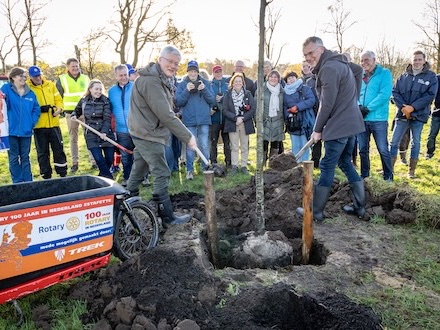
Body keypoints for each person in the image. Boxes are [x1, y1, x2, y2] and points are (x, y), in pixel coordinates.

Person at [125, 45, 196, 227]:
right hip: (148, 133)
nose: (173, 66)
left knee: (140, 167)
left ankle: (124, 205)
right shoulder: (152, 82)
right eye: (170, 61)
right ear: (160, 59)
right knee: (162, 171)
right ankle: (167, 217)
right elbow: (165, 114)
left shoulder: (160, 79)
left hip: (144, 130)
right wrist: (187, 137)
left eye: (176, 63)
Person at [297, 36, 366, 221]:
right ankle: (360, 207)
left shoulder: (328, 68)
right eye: (305, 55)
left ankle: (315, 211)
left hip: (339, 125)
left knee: (327, 165)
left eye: (311, 52)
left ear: (321, 49)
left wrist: (317, 129)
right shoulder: (339, 62)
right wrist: (351, 100)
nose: (309, 57)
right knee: (345, 162)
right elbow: (358, 70)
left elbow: (325, 105)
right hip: (351, 123)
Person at [389, 50, 438, 178]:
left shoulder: (431, 77)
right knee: (393, 142)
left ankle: (411, 172)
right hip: (402, 114)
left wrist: (413, 107)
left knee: (415, 142)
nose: (417, 62)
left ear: (424, 61)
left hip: (419, 115)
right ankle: (389, 169)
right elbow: (395, 92)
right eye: (415, 59)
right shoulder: (403, 76)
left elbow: (430, 95)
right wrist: (404, 108)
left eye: (419, 59)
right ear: (412, 61)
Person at [175, 60, 215, 180]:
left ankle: (204, 168)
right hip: (189, 120)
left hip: (204, 120)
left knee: (204, 145)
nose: (193, 73)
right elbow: (178, 102)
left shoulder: (206, 83)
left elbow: (212, 100)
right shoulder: (182, 85)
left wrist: (204, 90)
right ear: (188, 72)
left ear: (197, 72)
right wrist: (187, 91)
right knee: (190, 146)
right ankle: (189, 171)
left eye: (194, 71)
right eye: (190, 71)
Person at [357, 51, 393, 181]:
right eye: (361, 60)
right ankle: (365, 176)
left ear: (374, 60)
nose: (364, 63)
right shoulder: (359, 75)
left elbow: (384, 94)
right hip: (361, 118)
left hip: (378, 119)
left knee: (383, 149)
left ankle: (388, 176)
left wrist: (368, 108)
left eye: (367, 59)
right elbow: (353, 93)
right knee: (362, 149)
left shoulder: (384, 73)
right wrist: (358, 106)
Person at [27, 65, 68, 179]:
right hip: (39, 125)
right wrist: (40, 109)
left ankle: (62, 172)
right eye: (35, 76)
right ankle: (46, 174)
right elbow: (27, 106)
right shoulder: (27, 88)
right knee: (42, 152)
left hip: (53, 123)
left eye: (39, 75)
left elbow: (59, 100)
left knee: (58, 149)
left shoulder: (50, 85)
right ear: (30, 77)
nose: (38, 78)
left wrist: (59, 109)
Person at [0, 67, 40, 183]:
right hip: (10, 131)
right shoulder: (6, 89)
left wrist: (31, 122)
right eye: (20, 76)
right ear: (13, 77)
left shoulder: (30, 93)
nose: (23, 78)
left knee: (25, 157)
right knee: (13, 158)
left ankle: (28, 182)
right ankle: (17, 182)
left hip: (26, 131)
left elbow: (36, 109)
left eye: (24, 76)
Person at [56, 58, 95, 173]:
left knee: (90, 136)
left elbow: (90, 93)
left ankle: (94, 161)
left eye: (77, 66)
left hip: (85, 112)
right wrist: (63, 111)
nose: (75, 68)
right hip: (70, 113)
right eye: (72, 66)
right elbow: (59, 96)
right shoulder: (62, 79)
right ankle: (75, 163)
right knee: (73, 138)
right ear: (68, 67)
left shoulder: (85, 78)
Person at [71, 79, 114, 179]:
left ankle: (102, 177)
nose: (98, 91)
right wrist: (74, 115)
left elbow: (107, 118)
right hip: (91, 134)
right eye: (96, 89)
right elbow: (76, 111)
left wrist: (104, 132)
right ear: (90, 89)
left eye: (100, 89)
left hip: (105, 133)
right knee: (99, 159)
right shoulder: (84, 101)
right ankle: (109, 179)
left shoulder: (106, 101)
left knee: (109, 159)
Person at [223, 73, 256, 174]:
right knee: (234, 146)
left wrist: (243, 118)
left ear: (242, 83)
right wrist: (235, 118)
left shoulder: (248, 94)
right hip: (233, 123)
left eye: (239, 81)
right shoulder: (228, 94)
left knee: (245, 145)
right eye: (236, 81)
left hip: (244, 123)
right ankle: (234, 165)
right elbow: (225, 110)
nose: (238, 83)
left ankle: (244, 166)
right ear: (232, 83)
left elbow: (252, 108)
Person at [108, 64, 135, 186]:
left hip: (136, 128)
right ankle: (127, 177)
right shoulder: (111, 91)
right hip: (121, 129)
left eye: (125, 75)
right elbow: (110, 110)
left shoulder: (135, 87)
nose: (124, 77)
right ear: (116, 76)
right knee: (125, 156)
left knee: (139, 154)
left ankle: (143, 177)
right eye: (121, 75)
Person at [282, 71, 316, 162]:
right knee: (295, 145)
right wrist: (288, 115)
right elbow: (284, 106)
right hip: (293, 122)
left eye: (293, 77)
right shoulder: (285, 92)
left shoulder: (305, 88)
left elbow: (312, 100)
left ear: (296, 78)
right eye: (289, 78)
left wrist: (298, 107)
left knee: (304, 145)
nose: (291, 79)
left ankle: (305, 165)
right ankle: (296, 165)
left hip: (305, 120)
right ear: (286, 81)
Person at [258, 69, 285, 166]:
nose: (273, 79)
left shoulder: (282, 91)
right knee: (263, 144)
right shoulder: (261, 90)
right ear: (268, 78)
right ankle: (261, 165)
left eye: (275, 77)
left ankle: (273, 165)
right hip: (265, 121)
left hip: (278, 120)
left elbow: (284, 106)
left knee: (275, 144)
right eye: (271, 77)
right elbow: (256, 106)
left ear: (278, 79)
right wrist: (258, 121)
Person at [209, 64, 230, 167]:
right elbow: (208, 98)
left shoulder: (227, 85)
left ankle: (229, 162)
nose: (218, 74)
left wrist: (223, 99)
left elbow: (230, 98)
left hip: (226, 118)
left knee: (227, 142)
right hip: (214, 118)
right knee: (213, 142)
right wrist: (213, 104)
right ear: (213, 73)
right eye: (216, 72)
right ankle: (213, 162)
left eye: (220, 71)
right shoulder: (210, 85)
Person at [301, 61, 321, 168]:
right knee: (315, 136)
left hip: (324, 109)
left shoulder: (324, 78)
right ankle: (315, 160)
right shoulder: (309, 82)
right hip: (312, 112)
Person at [425, 74, 440, 160]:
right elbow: (431, 94)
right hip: (437, 112)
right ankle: (429, 152)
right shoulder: (437, 78)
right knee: (432, 134)